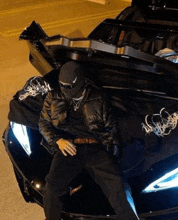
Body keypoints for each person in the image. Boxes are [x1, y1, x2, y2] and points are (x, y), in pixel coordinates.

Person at [38, 61, 139, 220]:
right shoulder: (53, 96)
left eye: (69, 86)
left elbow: (110, 128)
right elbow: (44, 123)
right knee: (51, 189)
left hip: (95, 148)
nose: (65, 90)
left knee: (119, 189)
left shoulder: (98, 97)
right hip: (69, 147)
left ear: (80, 82)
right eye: (62, 85)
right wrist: (58, 140)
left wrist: (113, 155)